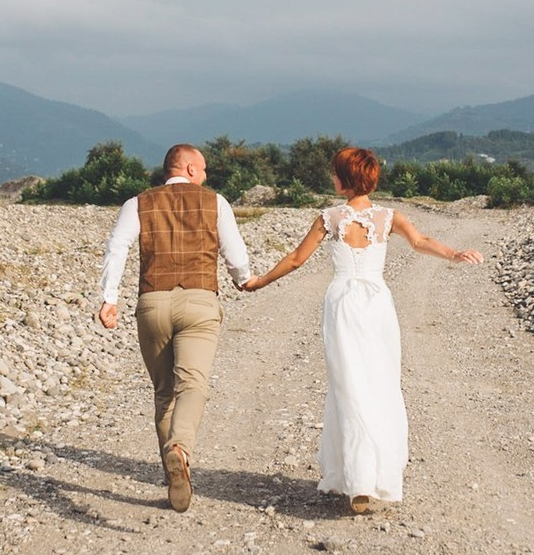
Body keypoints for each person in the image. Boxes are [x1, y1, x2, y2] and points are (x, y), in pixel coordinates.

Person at [243, 147, 482, 513]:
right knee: (380, 382)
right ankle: (370, 475)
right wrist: (453, 254)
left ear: (345, 180)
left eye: (335, 173)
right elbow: (420, 242)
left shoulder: (330, 218)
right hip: (377, 303)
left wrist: (261, 281)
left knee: (348, 383)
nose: (332, 178)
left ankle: (358, 476)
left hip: (342, 303)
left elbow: (295, 259)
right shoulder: (389, 216)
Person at [96, 144, 251, 512]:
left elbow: (117, 247)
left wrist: (109, 298)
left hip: (153, 304)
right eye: (204, 169)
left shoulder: (137, 203)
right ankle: (179, 448)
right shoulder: (216, 202)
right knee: (193, 384)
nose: (206, 175)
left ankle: (173, 477)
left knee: (164, 391)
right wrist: (243, 279)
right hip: (199, 302)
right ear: (190, 169)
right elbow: (235, 255)